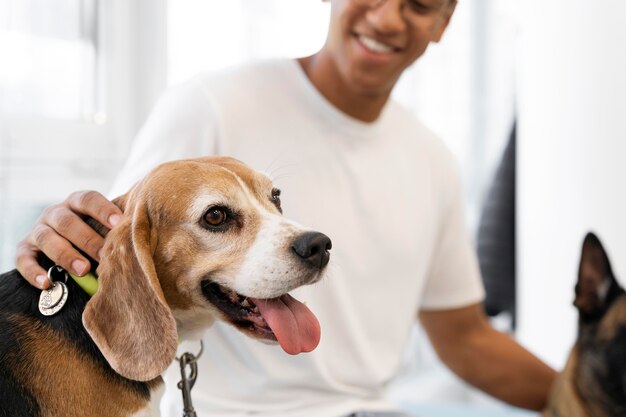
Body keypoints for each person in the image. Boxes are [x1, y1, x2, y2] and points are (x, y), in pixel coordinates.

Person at [16, 0, 556, 416]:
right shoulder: (208, 104)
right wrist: (56, 240)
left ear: (445, 21)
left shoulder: (434, 157)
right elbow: (113, 245)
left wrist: (596, 395)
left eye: (418, 3)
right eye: (220, 217)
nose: (389, 17)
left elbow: (466, 338)